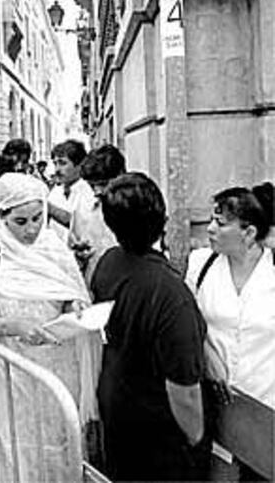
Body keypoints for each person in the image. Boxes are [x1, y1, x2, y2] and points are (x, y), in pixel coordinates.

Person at [0, 173, 101, 483]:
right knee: (17, 453)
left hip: (58, 377)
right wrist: (13, 326)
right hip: (11, 379)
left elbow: (71, 292)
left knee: (58, 448)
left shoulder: (52, 247)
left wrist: (74, 307)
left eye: (37, 217)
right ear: (1, 217)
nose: (31, 229)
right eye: (21, 221)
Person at [95, 172, 208, 482]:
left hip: (117, 410)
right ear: (163, 219)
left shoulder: (108, 262)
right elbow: (183, 391)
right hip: (159, 436)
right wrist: (197, 441)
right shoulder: (171, 295)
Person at [185, 184, 275, 479]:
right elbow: (188, 320)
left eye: (220, 224)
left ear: (249, 233)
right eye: (211, 220)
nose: (210, 229)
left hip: (266, 405)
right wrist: (208, 354)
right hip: (217, 404)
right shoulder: (202, 264)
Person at [69, 144, 125, 288]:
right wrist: (79, 255)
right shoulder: (83, 208)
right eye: (92, 186)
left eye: (104, 184)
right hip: (94, 287)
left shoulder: (135, 206)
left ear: (121, 175)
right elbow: (74, 245)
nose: (97, 191)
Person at [47, 139, 94, 242]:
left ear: (78, 166)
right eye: (55, 164)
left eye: (63, 163)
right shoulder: (55, 191)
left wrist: (49, 208)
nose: (57, 170)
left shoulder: (88, 192)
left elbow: (82, 225)